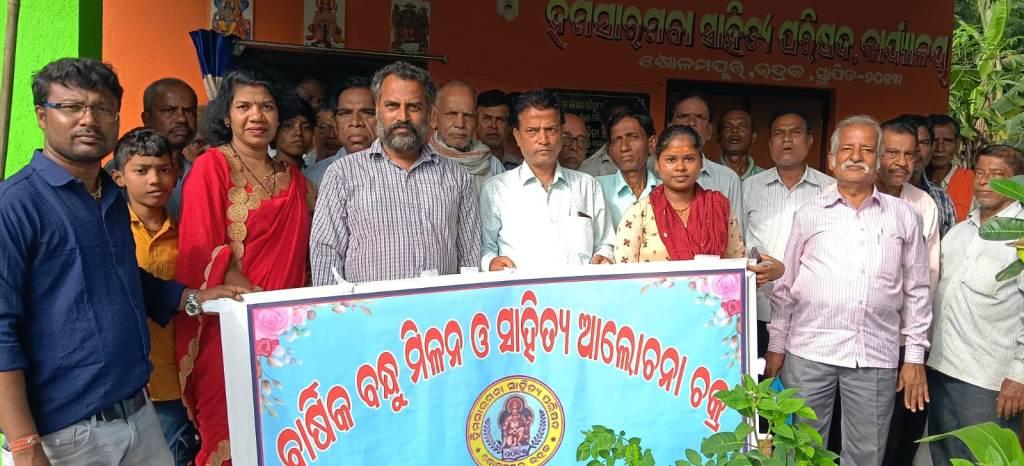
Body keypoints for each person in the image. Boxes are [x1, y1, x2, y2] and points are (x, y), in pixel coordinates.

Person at [0, 57, 244, 466]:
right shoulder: (16, 205)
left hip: (139, 415)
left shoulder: (111, 197)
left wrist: (192, 298)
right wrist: (24, 445)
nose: (88, 119)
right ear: (42, 116)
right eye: (71, 107)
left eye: (102, 108)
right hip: (66, 435)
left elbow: (124, 278)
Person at [765, 115, 930, 466]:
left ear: (879, 159)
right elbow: (786, 284)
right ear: (832, 158)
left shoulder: (903, 215)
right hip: (809, 350)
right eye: (847, 149)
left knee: (867, 453)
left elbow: (918, 291)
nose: (856, 157)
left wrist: (914, 356)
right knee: (799, 449)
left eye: (866, 149)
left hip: (873, 352)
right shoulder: (809, 213)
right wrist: (776, 345)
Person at [176, 66, 313, 466]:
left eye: (266, 107)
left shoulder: (294, 180)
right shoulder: (211, 167)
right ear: (226, 116)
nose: (256, 116)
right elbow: (201, 247)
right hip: (230, 328)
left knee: (284, 432)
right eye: (244, 107)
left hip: (287, 333)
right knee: (228, 432)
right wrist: (254, 301)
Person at [309, 61, 481, 284]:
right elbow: (326, 255)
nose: (403, 117)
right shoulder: (342, 175)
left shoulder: (457, 177)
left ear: (430, 114)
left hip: (439, 306)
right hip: (369, 307)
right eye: (392, 106)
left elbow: (470, 259)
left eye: (414, 107)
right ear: (377, 110)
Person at [927, 145, 1024, 465]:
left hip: (988, 381)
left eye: (997, 175)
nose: (984, 181)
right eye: (980, 173)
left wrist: (1020, 376)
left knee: (985, 459)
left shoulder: (1020, 237)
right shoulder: (959, 232)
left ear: (1016, 183)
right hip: (942, 370)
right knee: (945, 456)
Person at [110, 128, 199, 466]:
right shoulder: (112, 236)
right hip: (127, 384)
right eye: (142, 170)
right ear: (119, 177)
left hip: (177, 380)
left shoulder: (188, 236)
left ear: (176, 176)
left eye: (164, 170)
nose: (155, 180)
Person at [480, 90, 614, 271]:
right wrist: (490, 263)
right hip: (521, 289)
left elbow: (605, 244)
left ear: (561, 133)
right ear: (517, 136)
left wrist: (603, 257)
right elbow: (485, 247)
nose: (543, 140)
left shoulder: (587, 187)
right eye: (532, 131)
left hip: (576, 288)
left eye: (551, 130)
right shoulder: (496, 189)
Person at [875, 118, 940, 466]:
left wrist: (914, 352)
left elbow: (927, 281)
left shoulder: (923, 205)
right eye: (891, 153)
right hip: (857, 340)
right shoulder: (851, 198)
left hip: (902, 341)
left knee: (897, 432)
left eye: (909, 154)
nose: (901, 162)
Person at [743, 109, 834, 357]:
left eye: (795, 132)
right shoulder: (749, 187)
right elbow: (736, 243)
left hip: (811, 314)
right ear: (770, 143)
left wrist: (785, 271)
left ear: (810, 140)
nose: (786, 139)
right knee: (758, 378)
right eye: (779, 133)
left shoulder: (830, 189)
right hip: (758, 310)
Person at [614, 125, 745, 262]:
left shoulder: (718, 206)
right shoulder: (639, 213)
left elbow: (737, 264)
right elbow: (624, 271)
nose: (680, 167)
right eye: (671, 159)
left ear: (701, 162)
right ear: (657, 164)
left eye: (689, 159)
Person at [668, 93, 745, 233]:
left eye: (699, 117)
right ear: (670, 126)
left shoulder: (728, 178)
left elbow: (736, 234)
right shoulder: (654, 171)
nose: (691, 122)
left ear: (709, 132)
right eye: (684, 116)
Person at [427, 80, 504, 192]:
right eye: (452, 114)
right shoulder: (422, 163)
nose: (460, 124)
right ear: (434, 117)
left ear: (476, 120)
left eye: (468, 116)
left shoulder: (492, 165)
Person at [140, 78, 200, 221]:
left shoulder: (200, 174)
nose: (182, 119)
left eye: (189, 111)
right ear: (147, 118)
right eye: (169, 110)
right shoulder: (125, 171)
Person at [304, 77, 377, 187]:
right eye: (345, 113)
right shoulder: (312, 177)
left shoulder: (399, 171)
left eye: (367, 112)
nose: (355, 122)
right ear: (335, 123)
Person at [596, 107, 659, 228]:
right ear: (610, 149)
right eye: (617, 140)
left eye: (633, 137)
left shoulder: (668, 192)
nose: (624, 147)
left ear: (651, 143)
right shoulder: (596, 188)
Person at [900, 113, 956, 236]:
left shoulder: (941, 197)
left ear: (931, 147)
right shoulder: (878, 193)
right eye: (910, 141)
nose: (916, 149)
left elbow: (949, 245)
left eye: (923, 142)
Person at [927, 114, 974, 221]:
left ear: (957, 144)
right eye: (934, 140)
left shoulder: (971, 181)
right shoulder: (910, 180)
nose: (940, 148)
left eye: (947, 141)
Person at [578, 100, 633, 177]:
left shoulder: (649, 164)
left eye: (627, 122)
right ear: (604, 129)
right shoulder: (588, 171)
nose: (622, 127)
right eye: (616, 122)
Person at [716, 108, 764, 180]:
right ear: (718, 136)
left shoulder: (766, 178)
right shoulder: (706, 175)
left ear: (753, 136)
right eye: (727, 126)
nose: (735, 130)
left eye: (742, 126)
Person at [476, 89, 517, 169]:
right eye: (487, 118)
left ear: (509, 126)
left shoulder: (517, 168)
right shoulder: (461, 162)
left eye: (500, 119)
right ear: (475, 122)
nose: (493, 126)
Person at [272, 95, 316, 169]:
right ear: (274, 131)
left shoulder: (320, 173)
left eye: (306, 127)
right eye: (289, 126)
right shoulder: (260, 172)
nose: (299, 133)